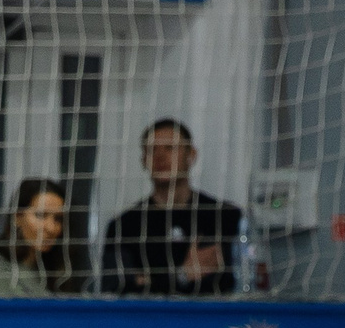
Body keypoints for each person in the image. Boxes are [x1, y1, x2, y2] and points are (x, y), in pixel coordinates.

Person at [102, 119, 244, 297]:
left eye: (170, 148)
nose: (160, 156)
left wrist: (150, 280)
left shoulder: (225, 216)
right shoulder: (124, 225)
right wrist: (182, 275)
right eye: (152, 150)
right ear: (143, 160)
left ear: (191, 155)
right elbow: (115, 288)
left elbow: (235, 281)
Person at [0, 178, 88, 296]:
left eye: (58, 219)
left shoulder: (59, 274)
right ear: (17, 217)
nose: (51, 227)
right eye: (41, 215)